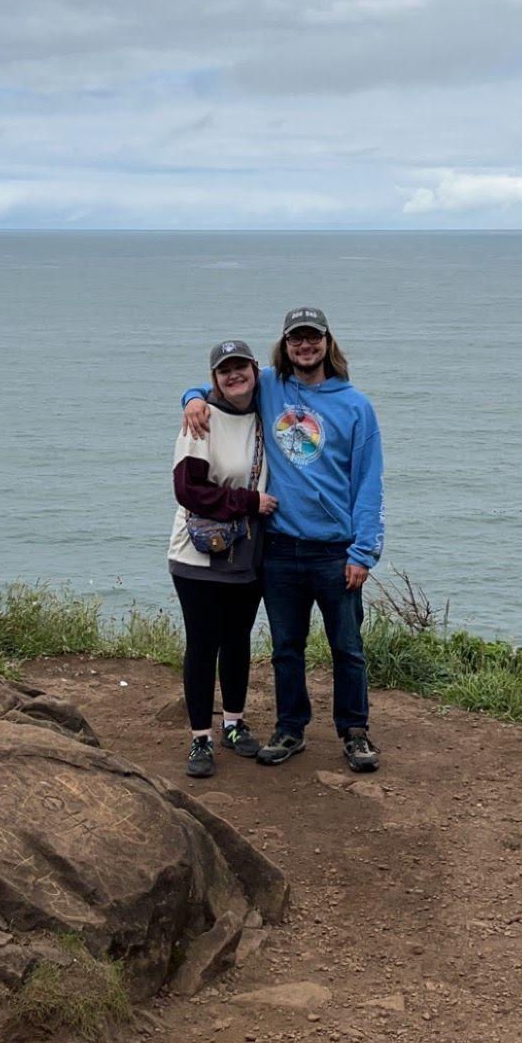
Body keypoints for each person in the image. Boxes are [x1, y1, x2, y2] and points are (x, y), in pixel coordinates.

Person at [181, 306, 384, 772]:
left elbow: (369, 484)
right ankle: (291, 728)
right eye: (297, 339)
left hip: (336, 550)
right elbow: (224, 387)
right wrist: (191, 397)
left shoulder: (357, 406)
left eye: (313, 338)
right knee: (286, 648)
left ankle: (355, 733)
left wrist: (364, 551)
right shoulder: (270, 386)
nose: (305, 346)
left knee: (347, 648)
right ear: (285, 346)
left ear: (327, 343)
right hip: (281, 547)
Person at [168, 338, 280, 778]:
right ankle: (200, 739)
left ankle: (233, 722)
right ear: (214, 377)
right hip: (197, 555)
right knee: (202, 643)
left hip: (248, 551)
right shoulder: (200, 420)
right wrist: (249, 502)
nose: (234, 376)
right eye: (224, 370)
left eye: (240, 368)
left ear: (255, 369)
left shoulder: (267, 413)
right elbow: (188, 489)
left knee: (237, 638)